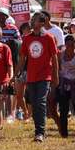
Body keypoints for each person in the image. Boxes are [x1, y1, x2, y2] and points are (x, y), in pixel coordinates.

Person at [16, 12, 58, 142]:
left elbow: (54, 58)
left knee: (40, 102)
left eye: (42, 21)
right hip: (31, 76)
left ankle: (40, 132)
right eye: (37, 20)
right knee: (34, 104)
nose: (39, 23)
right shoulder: (27, 38)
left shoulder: (49, 38)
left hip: (45, 76)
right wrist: (17, 73)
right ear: (32, 22)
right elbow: (22, 58)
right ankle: (38, 131)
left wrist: (55, 76)